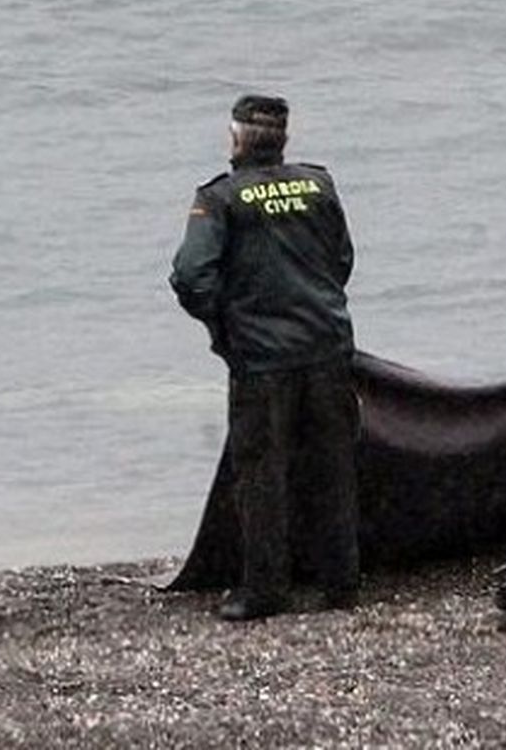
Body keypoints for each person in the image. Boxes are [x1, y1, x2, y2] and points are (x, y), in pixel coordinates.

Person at [170, 95, 360, 621]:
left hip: (261, 357)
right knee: (333, 465)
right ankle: (342, 582)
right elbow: (342, 258)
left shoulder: (219, 198)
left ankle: (265, 590)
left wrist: (225, 326)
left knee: (261, 471)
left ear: (235, 140)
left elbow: (190, 276)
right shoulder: (319, 184)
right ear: (284, 141)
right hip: (326, 344)